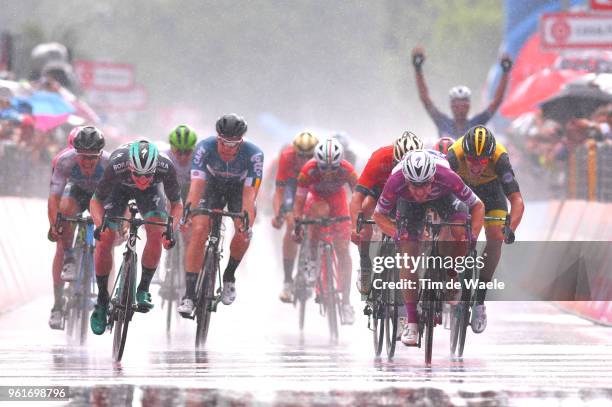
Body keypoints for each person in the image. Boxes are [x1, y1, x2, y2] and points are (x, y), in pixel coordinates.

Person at [373, 150, 485, 345]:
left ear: (432, 178)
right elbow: (378, 216)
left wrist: (472, 237)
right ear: (406, 179)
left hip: (444, 197)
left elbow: (478, 205)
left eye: (424, 184)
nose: (419, 192)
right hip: (407, 205)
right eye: (414, 185)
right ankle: (412, 323)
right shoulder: (396, 181)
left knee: (459, 232)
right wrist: (398, 234)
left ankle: (451, 275)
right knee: (408, 254)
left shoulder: (447, 177)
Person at [89, 139, 183, 335]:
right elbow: (96, 201)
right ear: (130, 167)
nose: (141, 181)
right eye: (137, 175)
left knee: (156, 232)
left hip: (151, 194)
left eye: (147, 175)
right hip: (119, 189)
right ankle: (102, 300)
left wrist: (170, 229)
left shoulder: (165, 167)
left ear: (155, 169)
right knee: (105, 238)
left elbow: (177, 205)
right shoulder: (117, 165)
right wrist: (99, 226)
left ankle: (143, 288)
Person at [177, 113, 263, 315]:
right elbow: (196, 185)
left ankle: (229, 276)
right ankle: (189, 295)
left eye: (233, 145)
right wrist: (188, 211)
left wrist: (246, 222)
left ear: (241, 142)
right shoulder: (204, 147)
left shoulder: (254, 154)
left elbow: (250, 194)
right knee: (198, 230)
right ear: (217, 137)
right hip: (211, 186)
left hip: (239, 189)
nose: (227, 149)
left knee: (243, 230)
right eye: (224, 143)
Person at [446, 125, 524, 333]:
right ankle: (451, 274)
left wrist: (510, 228)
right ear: (465, 154)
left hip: (492, 193)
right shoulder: (454, 155)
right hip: (463, 191)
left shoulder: (501, 159)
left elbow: (517, 201)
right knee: (454, 230)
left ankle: (479, 302)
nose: (476, 166)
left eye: (482, 161)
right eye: (471, 159)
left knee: (495, 238)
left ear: (490, 157)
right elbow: (440, 193)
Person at [47, 126, 109, 329]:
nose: (88, 162)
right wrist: (55, 225)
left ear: (100, 154)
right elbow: (54, 198)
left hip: (100, 197)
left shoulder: (109, 164)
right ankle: (58, 304)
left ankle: (103, 298)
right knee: (64, 214)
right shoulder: (64, 161)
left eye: (93, 158)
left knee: (106, 243)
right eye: (83, 157)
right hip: (76, 193)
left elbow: (119, 198)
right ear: (75, 153)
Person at [292, 137, 358, 324]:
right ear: (317, 164)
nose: (328, 173)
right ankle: (312, 260)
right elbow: (299, 201)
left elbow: (359, 197)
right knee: (318, 213)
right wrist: (298, 221)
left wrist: (359, 219)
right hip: (316, 198)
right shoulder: (308, 170)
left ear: (340, 164)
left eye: (333, 169)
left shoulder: (348, 170)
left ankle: (346, 303)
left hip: (338, 200)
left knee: (343, 251)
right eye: (324, 168)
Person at [349, 131, 423, 295]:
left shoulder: (427, 163)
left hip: (411, 196)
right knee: (366, 208)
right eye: (399, 164)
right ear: (393, 158)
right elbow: (357, 197)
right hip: (381, 193)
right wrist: (356, 228)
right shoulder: (379, 158)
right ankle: (365, 264)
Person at [411, 46, 512, 139]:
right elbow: (425, 99)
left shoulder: (476, 123)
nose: (460, 110)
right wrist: (418, 69)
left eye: (463, 105)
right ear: (451, 106)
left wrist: (505, 72)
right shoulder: (442, 122)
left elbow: (496, 102)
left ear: (469, 106)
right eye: (456, 105)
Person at [273, 131, 319, 303]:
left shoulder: (320, 160)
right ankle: (287, 281)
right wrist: (280, 213)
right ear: (294, 152)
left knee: (320, 219)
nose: (304, 160)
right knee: (291, 225)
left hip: (313, 185)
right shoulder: (286, 157)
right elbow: (279, 191)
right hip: (293, 186)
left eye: (309, 156)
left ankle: (317, 265)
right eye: (301, 156)